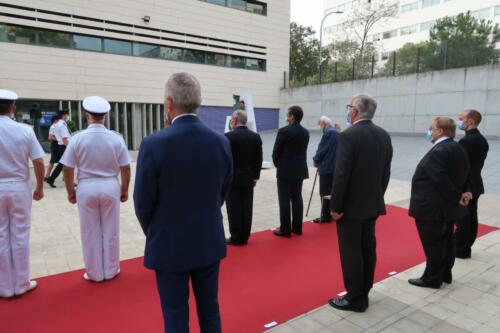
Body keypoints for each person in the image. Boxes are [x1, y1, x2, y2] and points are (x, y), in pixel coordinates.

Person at [134, 73, 233, 333]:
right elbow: (223, 189)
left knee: (175, 315)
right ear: (198, 102)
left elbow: (143, 202)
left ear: (168, 103)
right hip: (207, 239)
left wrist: (158, 230)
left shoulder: (153, 144)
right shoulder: (221, 141)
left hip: (169, 244)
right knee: (210, 310)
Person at [328, 94, 393, 313]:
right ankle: (364, 289)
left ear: (354, 111)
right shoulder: (384, 135)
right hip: (372, 204)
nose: (347, 111)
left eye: (349, 107)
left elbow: (342, 175)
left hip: (351, 208)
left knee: (351, 251)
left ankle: (355, 297)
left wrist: (336, 207)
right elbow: (385, 173)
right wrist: (377, 196)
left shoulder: (348, 136)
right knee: (367, 248)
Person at [60, 96, 131, 282]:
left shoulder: (77, 138)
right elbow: (125, 167)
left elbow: (67, 167)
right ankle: (111, 269)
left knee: (89, 231)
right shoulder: (116, 138)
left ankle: (94, 273)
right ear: (105, 116)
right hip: (110, 185)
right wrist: (124, 190)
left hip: (86, 186)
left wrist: (70, 191)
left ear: (87, 116)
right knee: (111, 229)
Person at [408, 117, 470, 289]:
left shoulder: (440, 151)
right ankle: (445, 274)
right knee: (447, 243)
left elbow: (441, 180)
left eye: (432, 128)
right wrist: (463, 193)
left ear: (440, 131)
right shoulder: (456, 147)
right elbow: (464, 173)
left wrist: (458, 195)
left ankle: (432, 278)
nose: (429, 131)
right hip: (445, 207)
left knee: (434, 245)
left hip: (432, 209)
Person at [0, 89, 45, 298]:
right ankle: (21, 282)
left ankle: (4, 286)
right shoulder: (25, 130)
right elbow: (37, 160)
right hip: (18, 186)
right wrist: (39, 187)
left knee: (1, 236)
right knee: (20, 235)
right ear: (13, 108)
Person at [225, 110, 263, 246]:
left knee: (233, 207)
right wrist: (255, 177)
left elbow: (226, 159)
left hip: (233, 178)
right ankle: (245, 236)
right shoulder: (255, 137)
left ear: (235, 121)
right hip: (248, 177)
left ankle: (235, 236)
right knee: (247, 206)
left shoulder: (228, 137)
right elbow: (258, 159)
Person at [455, 110, 489, 259]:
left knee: (463, 218)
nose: (459, 121)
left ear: (470, 121)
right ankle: (466, 246)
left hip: (466, 186)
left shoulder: (466, 141)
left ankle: (461, 249)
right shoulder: (481, 139)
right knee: (471, 216)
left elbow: (460, 166)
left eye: (461, 118)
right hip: (476, 183)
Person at [272, 106, 309, 238]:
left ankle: (285, 229)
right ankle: (297, 228)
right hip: (299, 170)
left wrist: (278, 164)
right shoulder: (306, 132)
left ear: (292, 116)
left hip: (285, 170)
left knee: (284, 200)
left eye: (288, 114)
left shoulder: (284, 131)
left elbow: (276, 152)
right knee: (297, 197)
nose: (286, 116)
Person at [312, 116, 339, 223]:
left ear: (324, 123)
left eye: (320, 124)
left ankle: (326, 216)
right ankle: (332, 212)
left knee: (324, 192)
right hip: (335, 166)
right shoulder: (336, 132)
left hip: (327, 166)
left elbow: (322, 149)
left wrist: (316, 160)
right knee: (332, 191)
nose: (320, 127)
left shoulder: (329, 133)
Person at [45, 109, 70, 188]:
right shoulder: (62, 124)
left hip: (60, 146)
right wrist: (70, 148)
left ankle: (51, 179)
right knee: (66, 165)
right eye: (67, 114)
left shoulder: (57, 124)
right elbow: (65, 139)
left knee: (61, 165)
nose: (67, 116)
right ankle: (52, 179)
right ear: (64, 115)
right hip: (64, 146)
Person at [45, 114, 61, 180]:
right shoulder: (53, 127)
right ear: (55, 120)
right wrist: (59, 139)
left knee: (63, 162)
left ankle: (65, 177)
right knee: (52, 162)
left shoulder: (59, 126)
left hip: (60, 145)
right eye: (59, 120)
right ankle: (46, 176)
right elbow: (50, 137)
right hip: (55, 145)